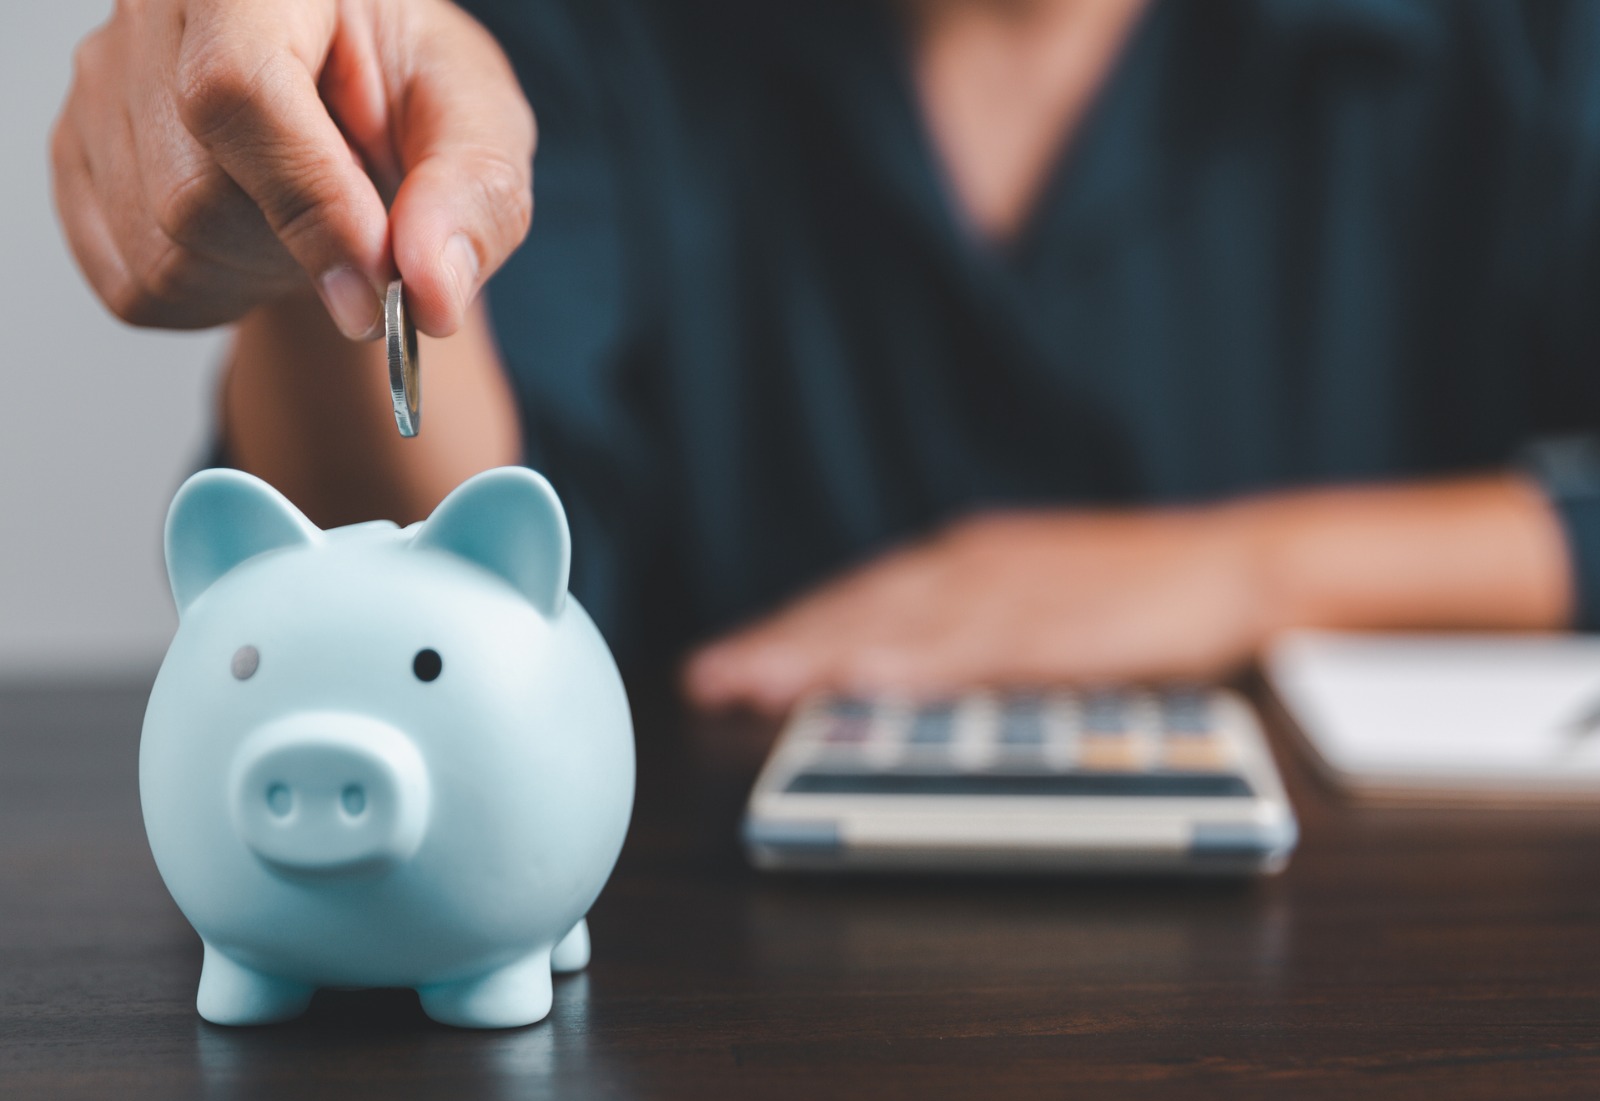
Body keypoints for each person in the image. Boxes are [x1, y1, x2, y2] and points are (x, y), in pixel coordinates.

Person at [52, 0, 1600, 714]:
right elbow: (457, 617)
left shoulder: (1516, 41)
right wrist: (317, 177)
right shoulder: (581, 44)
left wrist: (1259, 570)